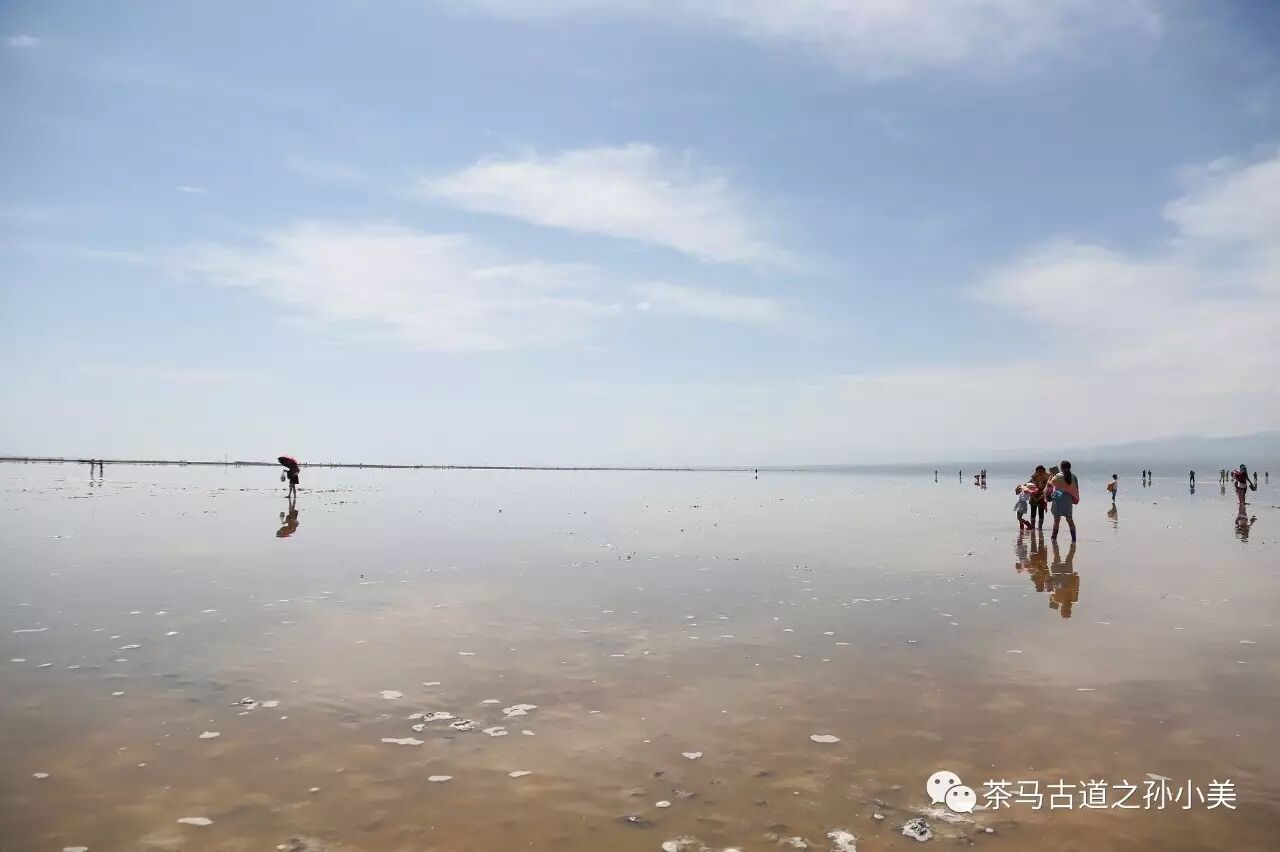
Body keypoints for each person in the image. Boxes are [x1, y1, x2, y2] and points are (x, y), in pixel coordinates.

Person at [1048, 460, 1079, 542]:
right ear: (1070, 467)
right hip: (1068, 500)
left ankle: (1054, 538)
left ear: (1061, 468)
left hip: (1058, 499)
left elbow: (1050, 485)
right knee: (1070, 520)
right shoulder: (1073, 477)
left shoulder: (1058, 476)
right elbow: (1076, 489)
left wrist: (1050, 478)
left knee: (1056, 520)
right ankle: (1074, 540)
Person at [1028, 465, 1049, 530]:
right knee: (1033, 513)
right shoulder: (1032, 479)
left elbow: (1048, 489)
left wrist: (1042, 495)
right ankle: (1032, 527)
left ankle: (1040, 528)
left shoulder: (1046, 479)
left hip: (1041, 497)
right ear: (1036, 471)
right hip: (1033, 497)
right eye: (1039, 471)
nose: (1040, 473)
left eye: (1042, 472)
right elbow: (1028, 488)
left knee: (1041, 513)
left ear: (1044, 472)